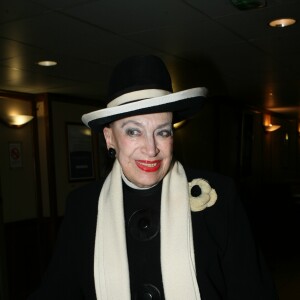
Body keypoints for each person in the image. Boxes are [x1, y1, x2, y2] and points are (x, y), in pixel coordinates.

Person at [29, 55, 278, 299]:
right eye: (134, 131)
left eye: (163, 132)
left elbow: (253, 290)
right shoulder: (82, 206)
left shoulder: (219, 196)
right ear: (109, 138)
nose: (151, 149)